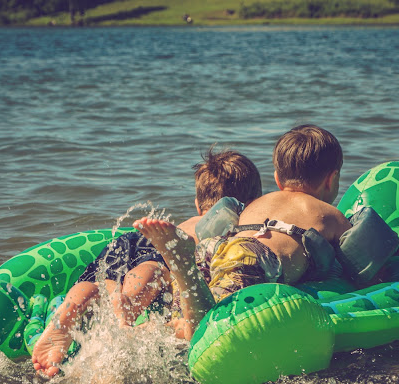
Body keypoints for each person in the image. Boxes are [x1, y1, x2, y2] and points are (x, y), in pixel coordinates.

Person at [32, 148, 262, 377]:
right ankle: (127, 305)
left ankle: (68, 312)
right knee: (154, 270)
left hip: (131, 238)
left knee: (99, 282)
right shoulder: (229, 223)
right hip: (164, 244)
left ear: (197, 204)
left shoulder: (184, 222)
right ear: (250, 204)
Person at [134, 124, 352, 340]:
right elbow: (357, 263)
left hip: (216, 246)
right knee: (212, 324)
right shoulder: (330, 215)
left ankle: (164, 319)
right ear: (331, 179)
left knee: (188, 313)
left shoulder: (260, 202)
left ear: (277, 179)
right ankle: (184, 266)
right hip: (252, 258)